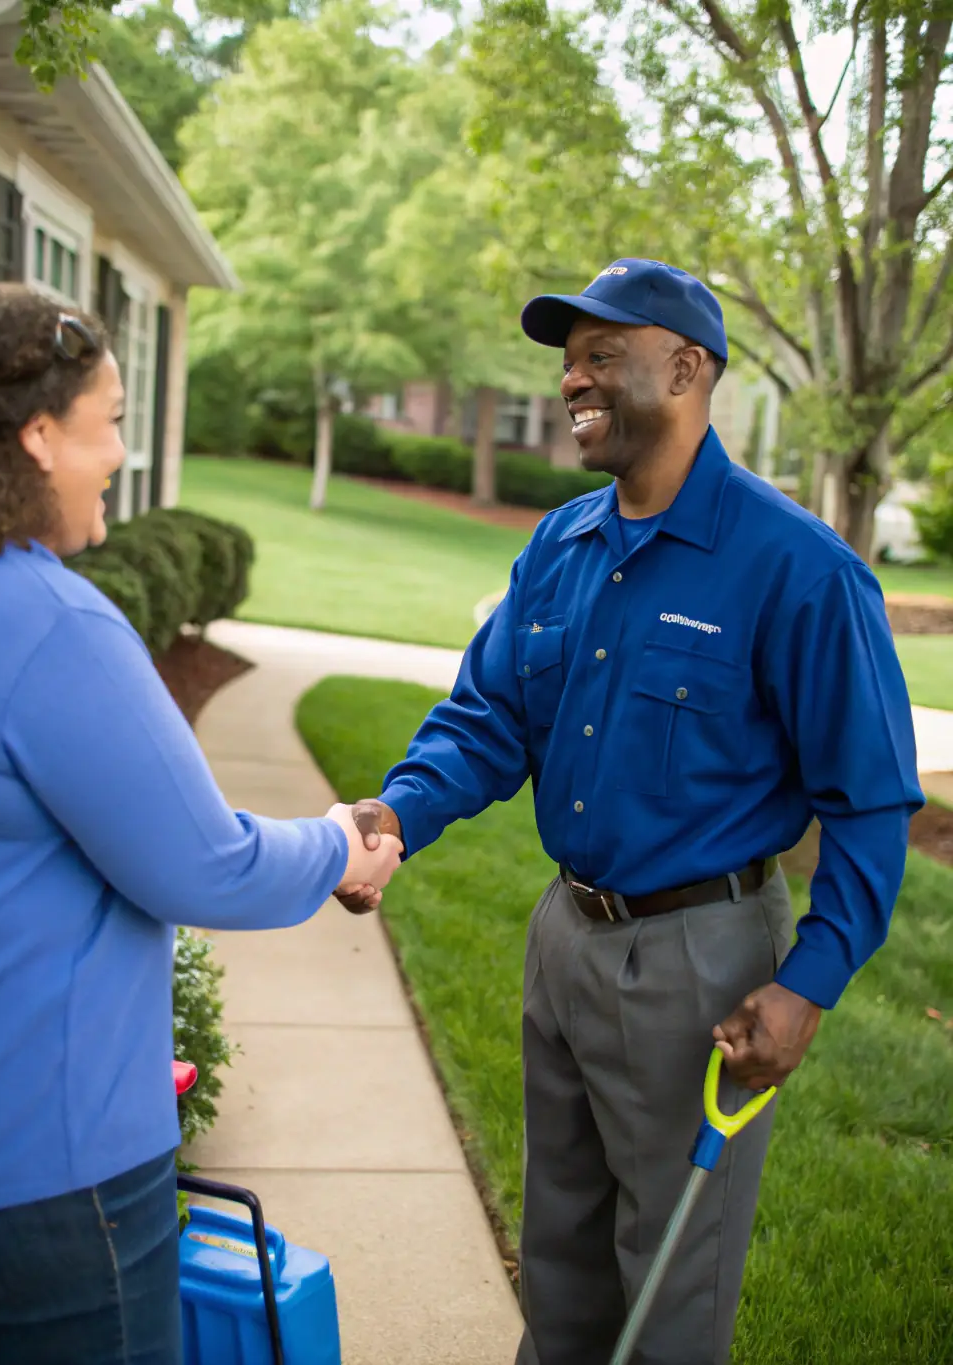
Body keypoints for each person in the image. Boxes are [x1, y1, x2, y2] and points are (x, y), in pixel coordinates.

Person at [335, 259, 924, 1365]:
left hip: (702, 962)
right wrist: (400, 814)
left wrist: (807, 982)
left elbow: (870, 802)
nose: (573, 382)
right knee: (558, 1260)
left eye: (603, 355)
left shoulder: (797, 569)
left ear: (687, 367)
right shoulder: (560, 545)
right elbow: (489, 718)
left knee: (667, 1293)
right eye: (568, 363)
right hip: (565, 937)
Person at [0, 283, 402, 1365]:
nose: (120, 454)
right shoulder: (44, 621)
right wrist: (337, 843)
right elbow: (205, 864)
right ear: (39, 438)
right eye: (111, 423)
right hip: (44, 1184)